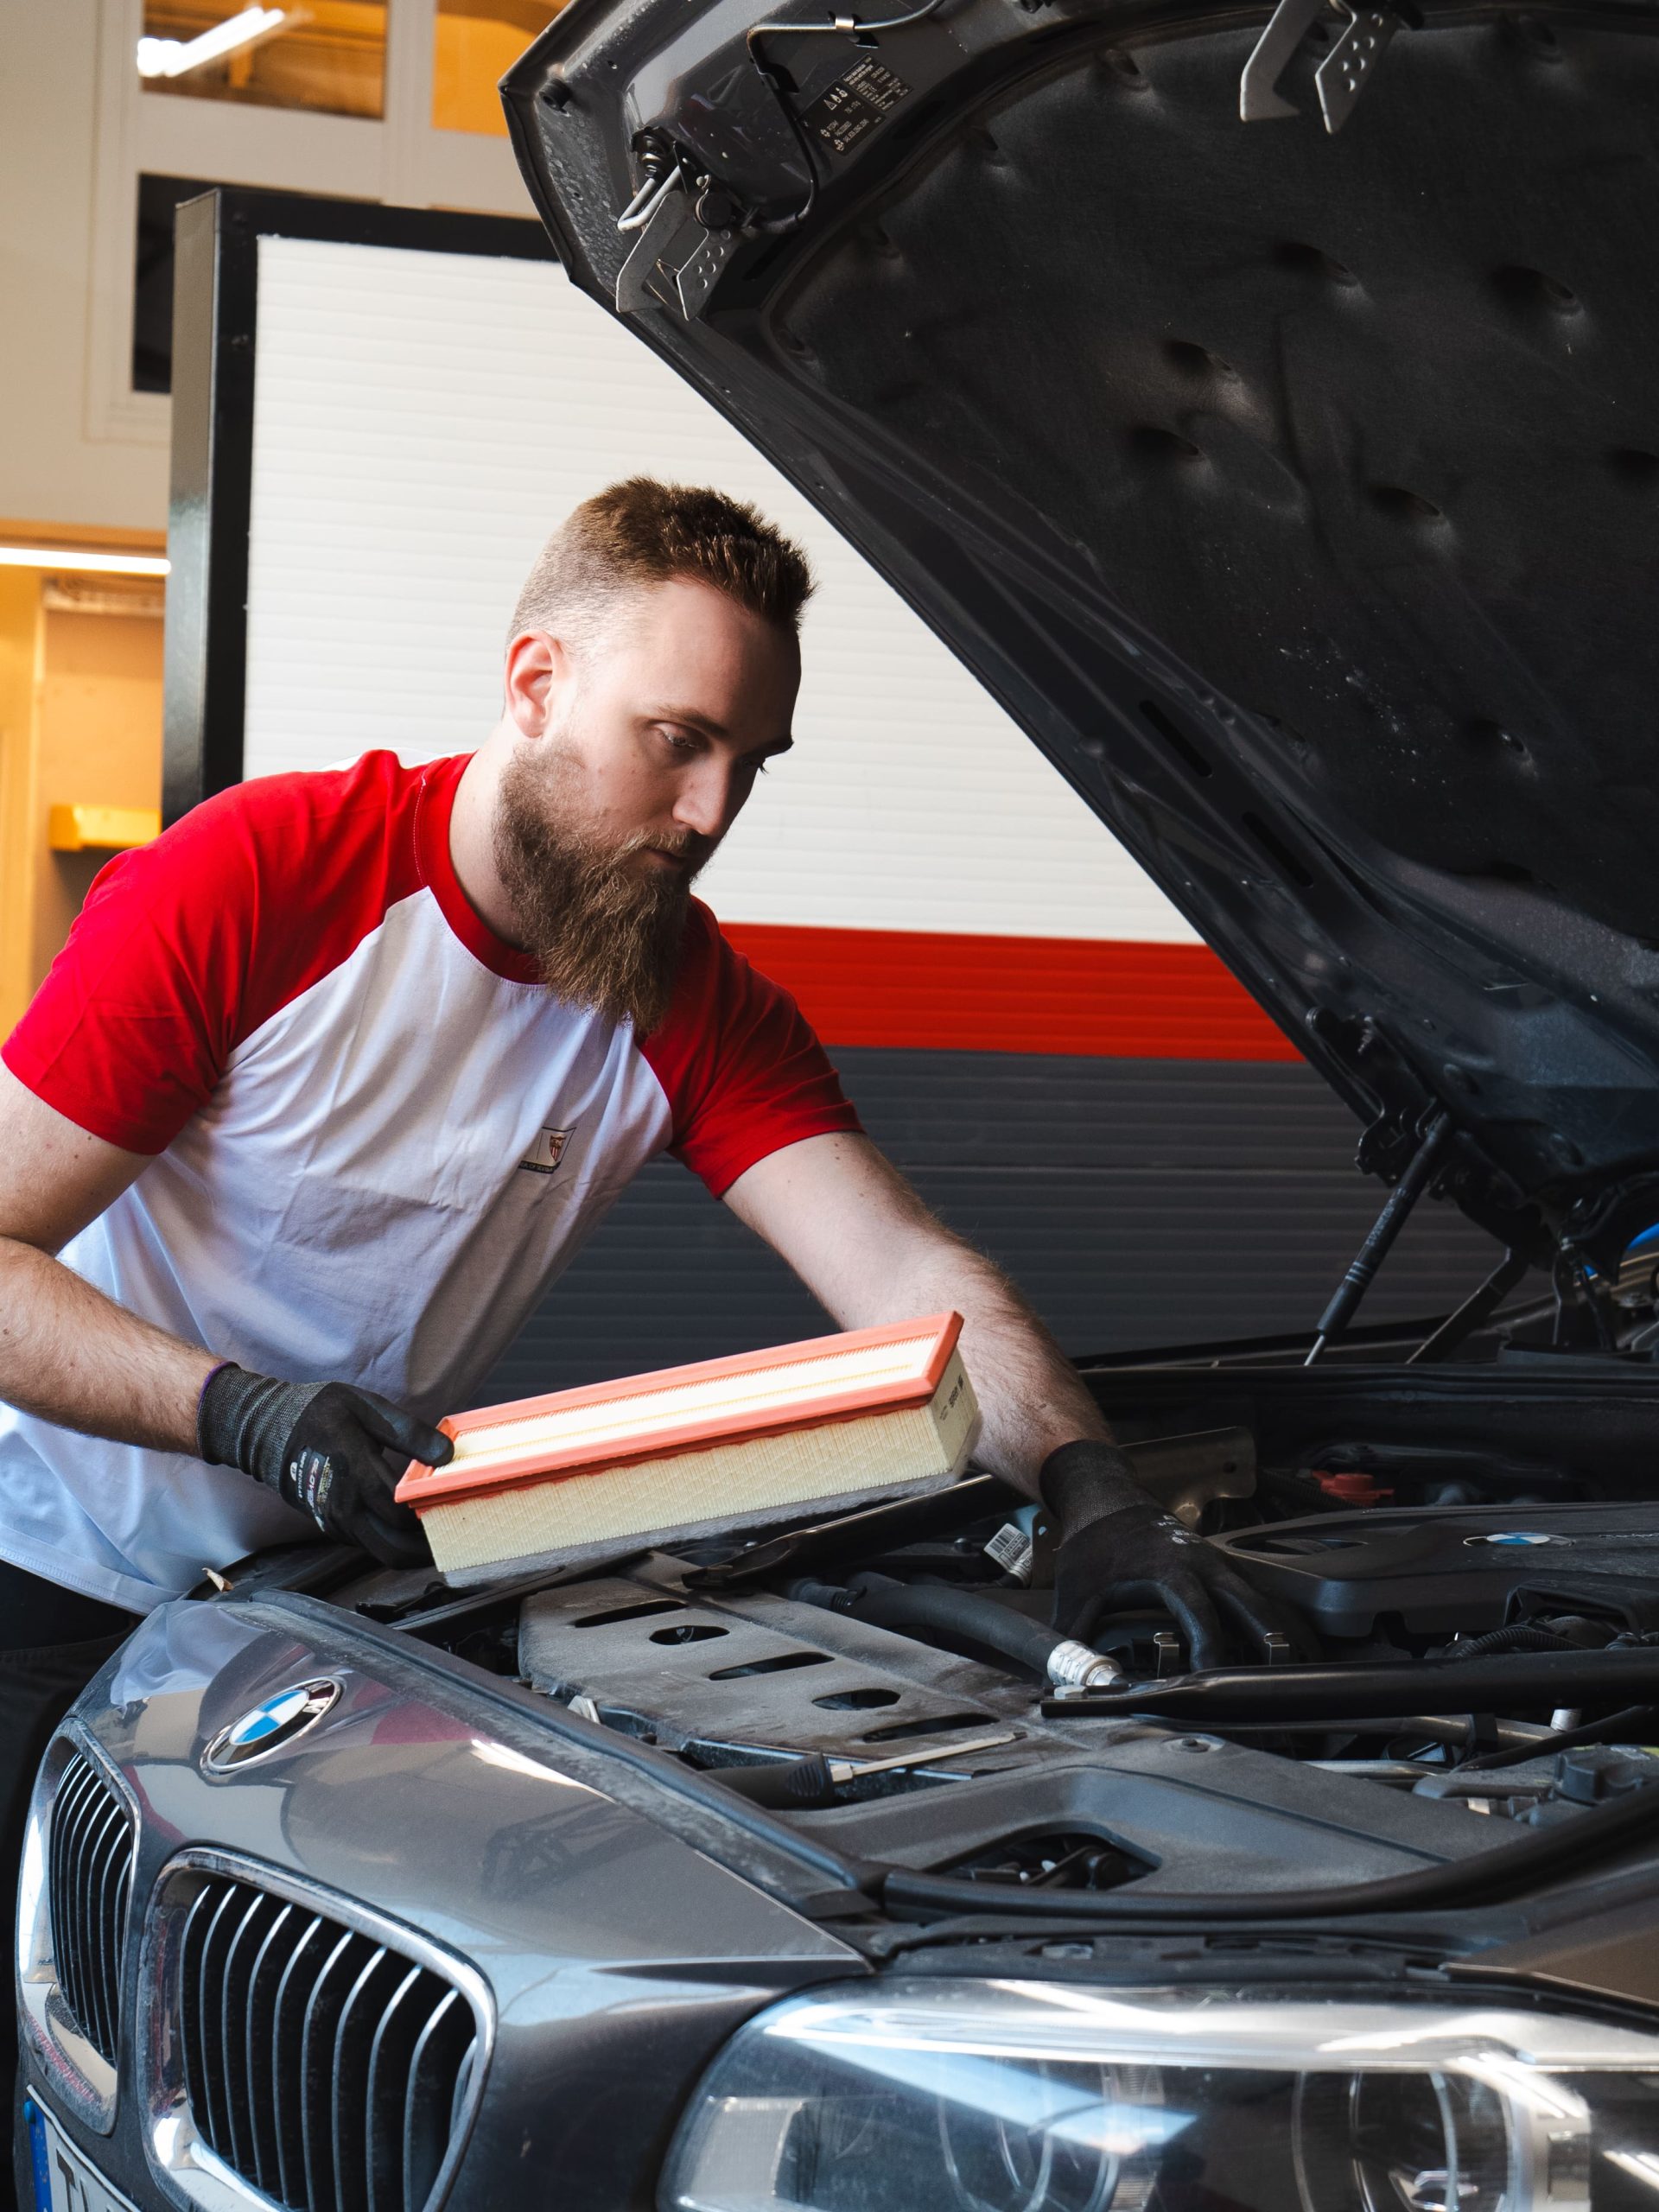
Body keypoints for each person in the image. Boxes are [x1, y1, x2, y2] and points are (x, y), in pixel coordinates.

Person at [0, 477, 1287, 1975]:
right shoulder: (260, 880)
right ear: (536, 682)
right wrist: (248, 1416)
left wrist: (1090, 1488)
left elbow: (908, 1281)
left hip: (308, 1607)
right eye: (676, 742)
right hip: (43, 1563)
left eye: (751, 764)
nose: (710, 814)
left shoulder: (685, 996)